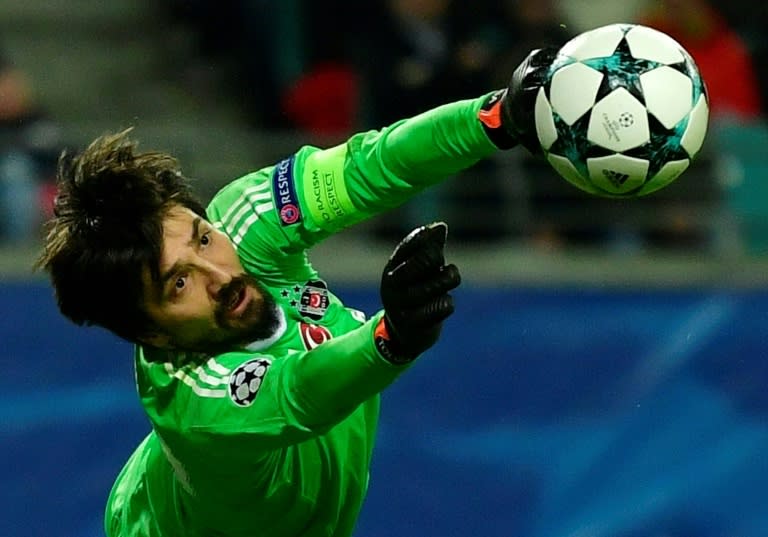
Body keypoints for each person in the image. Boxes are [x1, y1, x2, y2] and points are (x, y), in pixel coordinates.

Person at [36, 48, 551, 537]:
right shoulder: (199, 406)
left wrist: (495, 118)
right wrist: (392, 336)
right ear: (152, 332)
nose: (218, 274)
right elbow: (299, 391)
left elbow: (367, 167)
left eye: (201, 238)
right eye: (179, 282)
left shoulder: (245, 220)